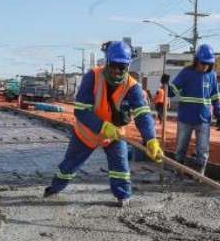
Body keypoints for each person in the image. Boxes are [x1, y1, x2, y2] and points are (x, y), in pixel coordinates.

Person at [44, 41, 162, 206]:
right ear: (107, 63)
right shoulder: (92, 76)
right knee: (68, 167)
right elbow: (81, 110)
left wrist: (150, 139)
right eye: (113, 65)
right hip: (87, 134)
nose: (116, 71)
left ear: (127, 67)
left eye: (121, 67)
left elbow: (143, 114)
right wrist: (103, 126)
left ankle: (123, 197)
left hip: (115, 135)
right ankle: (55, 189)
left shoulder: (133, 87)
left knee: (121, 169)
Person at [168, 43, 220, 174]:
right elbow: (173, 91)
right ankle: (178, 173)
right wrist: (165, 85)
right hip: (185, 118)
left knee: (203, 149)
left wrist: (219, 113)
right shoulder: (186, 73)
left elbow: (215, 96)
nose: (205, 66)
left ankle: (199, 176)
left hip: (204, 118)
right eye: (203, 63)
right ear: (196, 60)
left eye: (208, 64)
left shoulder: (212, 76)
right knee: (181, 148)